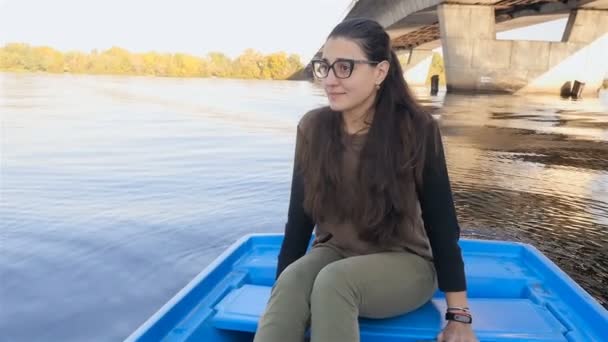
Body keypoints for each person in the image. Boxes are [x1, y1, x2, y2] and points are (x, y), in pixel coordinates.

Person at [253, 18, 478, 342]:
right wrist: (283, 298)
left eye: (344, 67)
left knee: (335, 282)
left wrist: (459, 316)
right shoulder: (312, 128)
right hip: (335, 251)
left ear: (380, 72)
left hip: (407, 262)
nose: (330, 80)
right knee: (291, 283)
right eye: (324, 67)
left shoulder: (416, 129)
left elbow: (441, 223)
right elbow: (298, 221)